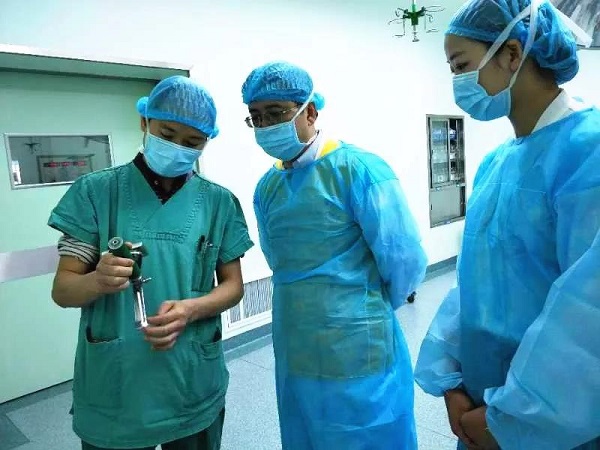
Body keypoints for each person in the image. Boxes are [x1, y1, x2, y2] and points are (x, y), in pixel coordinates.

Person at [413, 1, 600, 449]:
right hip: (482, 402)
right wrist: (453, 378)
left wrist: (515, 417)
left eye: (461, 66)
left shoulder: (588, 154)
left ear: (512, 54)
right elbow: (472, 282)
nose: (457, 82)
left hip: (554, 421)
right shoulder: (497, 163)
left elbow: (588, 314)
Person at [48, 75, 254, 450]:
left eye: (192, 142)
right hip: (118, 387)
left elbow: (233, 286)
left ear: (207, 141)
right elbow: (63, 291)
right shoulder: (96, 192)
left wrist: (191, 309)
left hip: (191, 378)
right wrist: (97, 280)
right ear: (145, 122)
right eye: (167, 134)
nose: (177, 148)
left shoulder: (219, 202)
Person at [241, 61, 428, 450]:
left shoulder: (359, 170)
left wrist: (361, 309)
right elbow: (278, 260)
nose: (265, 126)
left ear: (309, 112)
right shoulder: (268, 187)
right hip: (296, 339)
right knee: (305, 431)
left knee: (369, 435)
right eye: (256, 117)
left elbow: (405, 259)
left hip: (359, 341)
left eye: (275, 113)